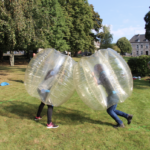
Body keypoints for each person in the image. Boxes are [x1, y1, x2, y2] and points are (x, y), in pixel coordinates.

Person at [92, 64, 133, 128]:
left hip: (113, 94)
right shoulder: (105, 73)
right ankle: (127, 116)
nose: (95, 71)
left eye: (95, 70)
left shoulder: (103, 75)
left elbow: (97, 83)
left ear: (98, 70)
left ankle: (120, 123)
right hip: (115, 93)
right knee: (112, 109)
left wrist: (93, 75)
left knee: (110, 110)